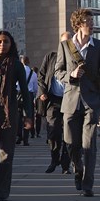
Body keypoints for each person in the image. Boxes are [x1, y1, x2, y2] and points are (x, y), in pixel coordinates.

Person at [55, 8, 100, 197]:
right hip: (70, 101)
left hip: (92, 103)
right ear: (78, 24)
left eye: (92, 22)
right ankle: (78, 169)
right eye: (88, 22)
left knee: (89, 145)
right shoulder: (65, 46)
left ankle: (88, 184)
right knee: (71, 143)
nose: (92, 25)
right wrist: (70, 75)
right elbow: (57, 71)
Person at [0, 30, 33, 201]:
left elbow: (25, 92)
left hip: (9, 110)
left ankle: (2, 190)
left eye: (6, 42)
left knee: (7, 153)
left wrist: (28, 116)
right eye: (0, 42)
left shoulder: (16, 64)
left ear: (11, 45)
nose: (3, 45)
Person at [38, 31, 71, 174]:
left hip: (70, 100)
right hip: (54, 100)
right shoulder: (51, 57)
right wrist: (42, 92)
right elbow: (41, 76)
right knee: (53, 131)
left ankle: (65, 165)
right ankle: (54, 158)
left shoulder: (76, 59)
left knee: (69, 134)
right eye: (64, 42)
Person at [16, 56, 37, 146]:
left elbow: (16, 84)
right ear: (28, 62)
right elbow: (36, 88)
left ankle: (19, 136)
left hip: (19, 95)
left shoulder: (18, 71)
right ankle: (26, 140)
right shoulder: (33, 73)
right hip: (29, 95)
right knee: (27, 117)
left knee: (18, 117)